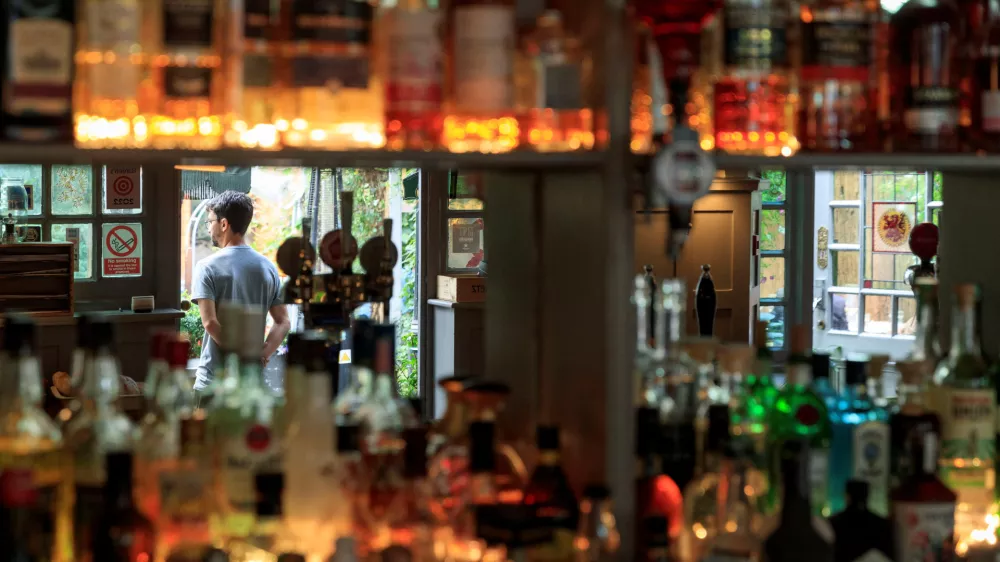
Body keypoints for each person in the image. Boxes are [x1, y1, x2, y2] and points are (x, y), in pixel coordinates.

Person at [190, 191, 290, 393]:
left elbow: (210, 322)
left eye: (210, 222)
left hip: (213, 384)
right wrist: (259, 355)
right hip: (252, 385)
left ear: (224, 224)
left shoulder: (206, 267)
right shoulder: (267, 267)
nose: (209, 228)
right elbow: (283, 321)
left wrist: (239, 357)